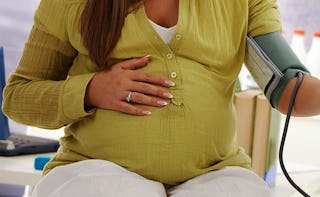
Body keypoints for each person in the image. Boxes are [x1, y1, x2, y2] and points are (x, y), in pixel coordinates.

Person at [2, 0, 320, 196]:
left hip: (214, 173)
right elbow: (18, 96)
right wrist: (89, 89)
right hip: (97, 169)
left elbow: (287, 87)